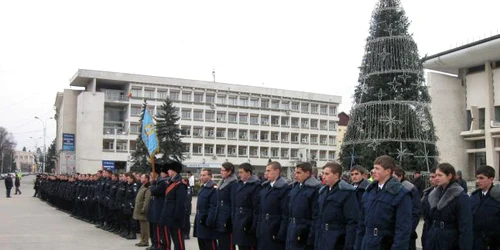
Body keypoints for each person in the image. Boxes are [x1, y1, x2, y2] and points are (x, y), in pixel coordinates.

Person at [355, 155, 412, 250]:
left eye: (377, 168)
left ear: (388, 171)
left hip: (385, 244)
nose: (373, 171)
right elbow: (361, 223)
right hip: (367, 242)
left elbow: (403, 229)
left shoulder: (400, 193)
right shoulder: (369, 191)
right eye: (373, 168)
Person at [424, 163, 472, 250]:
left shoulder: (460, 196)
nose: (436, 178)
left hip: (450, 242)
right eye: (436, 175)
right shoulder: (433, 194)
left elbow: (465, 227)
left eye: (440, 175)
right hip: (433, 239)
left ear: (449, 176)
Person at [314, 162, 358, 250]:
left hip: (336, 238)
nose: (323, 176)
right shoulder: (323, 191)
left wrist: (348, 245)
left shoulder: (346, 192)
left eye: (327, 174)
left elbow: (352, 221)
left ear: (336, 175)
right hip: (321, 236)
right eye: (323, 173)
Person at [286, 162, 322, 250]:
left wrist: (311, 236)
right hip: (292, 228)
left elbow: (315, 215)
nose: (295, 175)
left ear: (307, 173)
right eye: (295, 173)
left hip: (303, 229)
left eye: (298, 173)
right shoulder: (295, 187)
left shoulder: (315, 189)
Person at [257, 161, 291, 250]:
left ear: (276, 171)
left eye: (268, 171)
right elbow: (260, 210)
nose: (266, 173)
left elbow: (285, 213)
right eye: (266, 171)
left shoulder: (284, 188)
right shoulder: (265, 187)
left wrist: (281, 233)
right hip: (264, 227)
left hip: (274, 227)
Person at [470, 165, 500, 250]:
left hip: (492, 244)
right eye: (477, 178)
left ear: (491, 179)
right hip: (474, 242)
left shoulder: (497, 198)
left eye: (481, 178)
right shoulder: (473, 197)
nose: (478, 181)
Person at [232, 163, 261, 250]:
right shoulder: (240, 184)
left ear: (248, 173)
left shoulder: (255, 186)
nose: (239, 174)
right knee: (241, 246)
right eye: (239, 172)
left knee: (248, 246)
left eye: (241, 172)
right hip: (239, 220)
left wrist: (253, 225)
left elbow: (256, 208)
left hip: (248, 221)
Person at [159, 161, 187, 250]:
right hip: (169, 216)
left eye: (170, 170)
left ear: (174, 171)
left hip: (176, 219)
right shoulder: (171, 182)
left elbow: (180, 203)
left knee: (178, 242)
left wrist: (177, 218)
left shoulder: (180, 184)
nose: (168, 172)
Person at [393, 165, 421, 250]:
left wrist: (408, 231)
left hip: (406, 233)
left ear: (400, 176)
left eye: (393, 177)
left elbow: (415, 212)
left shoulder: (410, 189)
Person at [194, 169, 218, 250]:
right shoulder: (203, 187)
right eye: (201, 175)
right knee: (202, 245)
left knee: (210, 245)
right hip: (200, 220)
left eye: (204, 175)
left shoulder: (213, 189)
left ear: (210, 176)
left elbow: (214, 207)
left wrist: (209, 221)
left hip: (206, 222)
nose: (201, 177)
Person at [216, 162, 238, 250]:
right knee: (221, 244)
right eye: (220, 170)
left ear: (229, 172)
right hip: (220, 218)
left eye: (223, 170)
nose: (221, 172)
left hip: (227, 219)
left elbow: (233, 203)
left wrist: (231, 220)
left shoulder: (233, 184)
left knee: (227, 245)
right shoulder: (222, 182)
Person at [149, 163, 169, 250]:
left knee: (158, 229)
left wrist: (152, 184)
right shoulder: (158, 181)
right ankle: (155, 244)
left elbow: (155, 191)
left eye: (151, 173)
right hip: (154, 207)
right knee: (154, 228)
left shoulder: (162, 182)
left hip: (159, 208)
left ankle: (158, 245)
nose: (150, 175)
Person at [421, 167, 437, 248]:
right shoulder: (427, 193)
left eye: (433, 177)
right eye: (430, 177)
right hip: (427, 228)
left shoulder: (447, 194)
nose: (430, 179)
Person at [134, 173, 152, 247]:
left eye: (142, 177)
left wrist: (144, 209)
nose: (141, 178)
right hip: (139, 209)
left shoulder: (148, 188)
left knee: (145, 227)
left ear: (147, 179)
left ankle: (145, 241)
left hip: (143, 210)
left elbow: (147, 200)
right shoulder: (143, 186)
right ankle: (142, 240)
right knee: (142, 227)